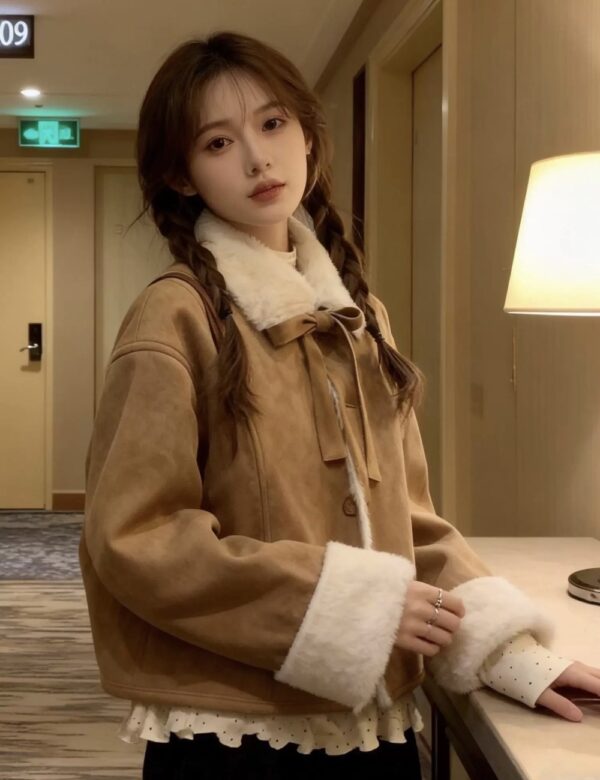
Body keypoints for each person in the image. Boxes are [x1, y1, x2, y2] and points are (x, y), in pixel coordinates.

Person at [79, 31, 600, 780]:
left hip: (374, 723)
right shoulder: (176, 316)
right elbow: (135, 538)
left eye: (272, 124)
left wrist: (512, 655)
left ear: (307, 136)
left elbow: (412, 524)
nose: (257, 159)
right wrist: (349, 605)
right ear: (182, 176)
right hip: (237, 728)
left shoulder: (358, 318)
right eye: (218, 142)